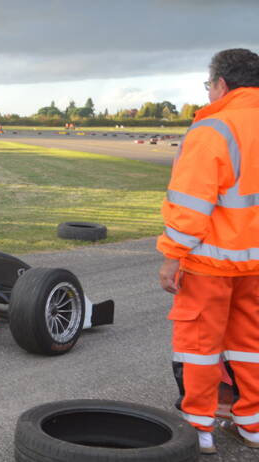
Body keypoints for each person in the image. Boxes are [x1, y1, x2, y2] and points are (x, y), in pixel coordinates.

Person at [157, 48, 259, 455]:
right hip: (255, 264)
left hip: (210, 261)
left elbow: (192, 203)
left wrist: (172, 255)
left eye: (208, 85)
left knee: (200, 346)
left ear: (221, 84)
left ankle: (200, 427)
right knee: (250, 343)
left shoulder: (214, 129)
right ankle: (252, 424)